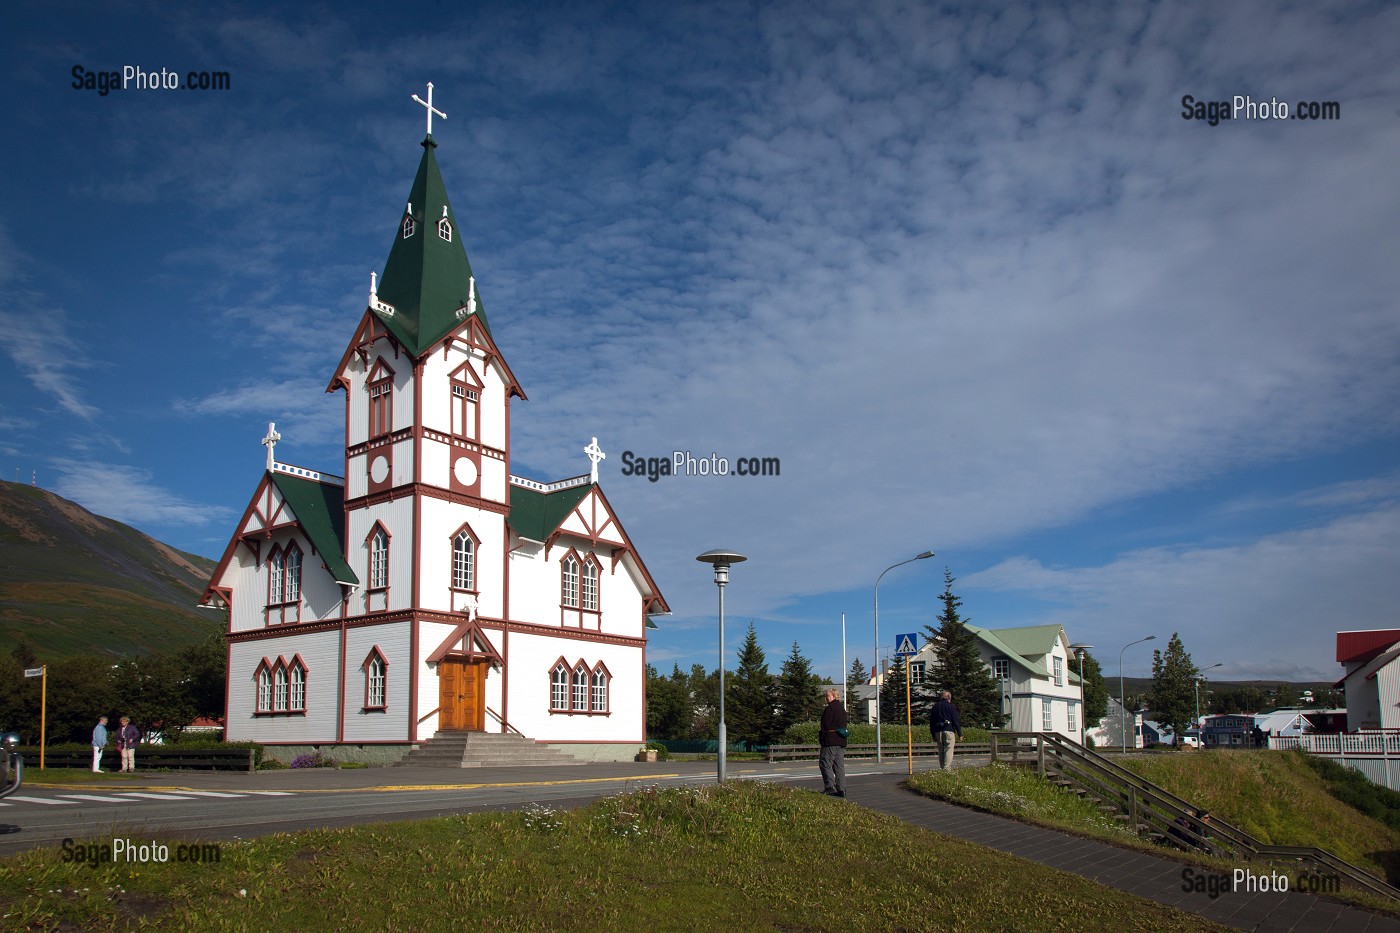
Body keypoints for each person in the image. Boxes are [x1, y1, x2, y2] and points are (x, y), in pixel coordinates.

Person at [818, 687, 848, 797]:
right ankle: (841, 788)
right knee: (838, 765)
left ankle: (830, 786)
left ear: (834, 696)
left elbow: (825, 725)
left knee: (825, 762)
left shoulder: (830, 708)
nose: (826, 698)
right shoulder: (841, 708)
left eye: (828, 696)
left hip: (831, 740)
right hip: (841, 740)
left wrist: (822, 736)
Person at [929, 690, 962, 770]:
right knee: (948, 749)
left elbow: (931, 721)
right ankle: (946, 769)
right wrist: (959, 733)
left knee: (941, 750)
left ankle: (942, 767)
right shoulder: (951, 706)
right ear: (949, 698)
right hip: (948, 730)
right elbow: (955, 719)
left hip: (938, 731)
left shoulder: (935, 706)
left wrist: (933, 734)